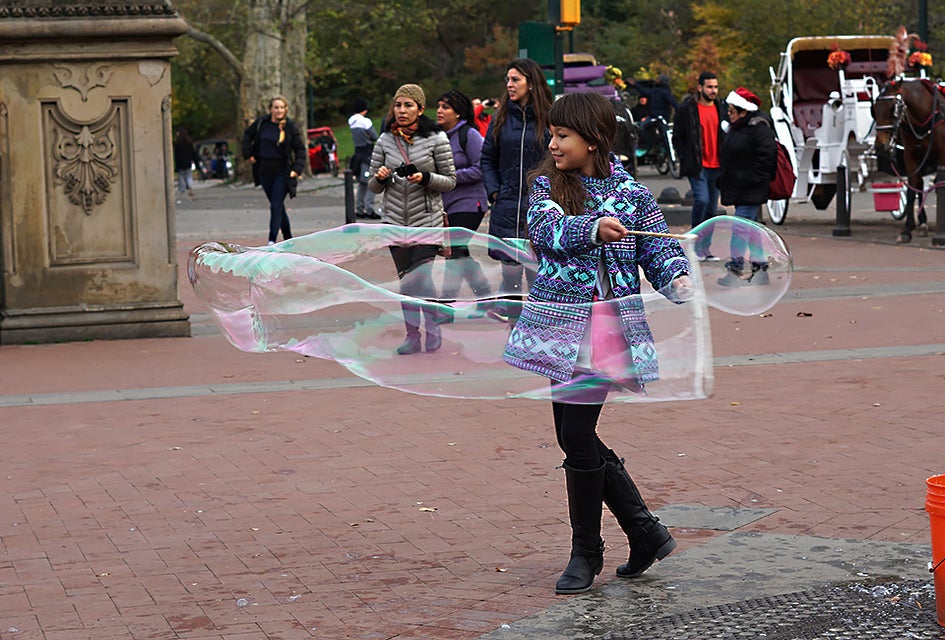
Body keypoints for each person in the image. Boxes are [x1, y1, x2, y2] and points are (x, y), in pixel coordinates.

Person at [503, 92, 691, 595]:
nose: (553, 142)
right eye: (553, 134)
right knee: (570, 435)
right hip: (558, 324)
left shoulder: (633, 192)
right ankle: (645, 531)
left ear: (595, 139)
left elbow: (657, 246)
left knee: (579, 435)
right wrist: (593, 228)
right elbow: (547, 231)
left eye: (564, 135)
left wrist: (677, 279)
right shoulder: (546, 185)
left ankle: (587, 551)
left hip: (606, 326)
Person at [368, 84, 456, 355]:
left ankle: (432, 330)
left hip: (426, 222)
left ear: (420, 108)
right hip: (395, 223)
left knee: (423, 280)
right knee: (406, 282)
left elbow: (451, 181)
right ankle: (412, 336)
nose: (402, 111)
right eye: (398, 105)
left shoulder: (436, 139)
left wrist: (426, 178)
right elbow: (371, 185)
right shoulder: (385, 140)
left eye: (408, 105)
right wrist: (380, 178)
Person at [481, 58, 553, 320]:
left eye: (515, 79)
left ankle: (539, 336)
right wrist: (495, 191)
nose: (509, 85)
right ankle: (515, 337)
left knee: (538, 278)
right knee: (510, 278)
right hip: (508, 206)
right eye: (508, 79)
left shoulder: (550, 118)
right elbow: (487, 158)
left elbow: (560, 159)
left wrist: (551, 195)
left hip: (540, 209)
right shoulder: (500, 118)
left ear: (531, 83)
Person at [436, 90, 491, 316]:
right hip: (447, 205)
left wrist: (449, 178)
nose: (439, 111)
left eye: (445, 107)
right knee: (460, 252)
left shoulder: (469, 135)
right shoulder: (439, 137)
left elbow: (480, 169)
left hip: (469, 204)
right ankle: (487, 298)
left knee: (456, 250)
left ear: (458, 112)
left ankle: (445, 307)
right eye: (438, 106)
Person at [716, 87, 778, 287]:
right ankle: (760, 270)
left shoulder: (758, 129)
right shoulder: (738, 128)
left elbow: (767, 159)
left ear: (743, 110)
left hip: (751, 188)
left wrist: (750, 179)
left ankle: (735, 269)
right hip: (741, 187)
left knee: (740, 229)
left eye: (732, 110)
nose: (728, 113)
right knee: (750, 231)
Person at [673, 71, 727, 260]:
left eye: (715, 87)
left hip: (717, 165)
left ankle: (705, 249)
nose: (713, 91)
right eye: (710, 87)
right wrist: (683, 156)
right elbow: (677, 137)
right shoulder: (687, 109)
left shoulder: (722, 108)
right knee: (701, 200)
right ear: (700, 88)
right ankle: (693, 247)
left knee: (712, 209)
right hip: (698, 165)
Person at [241, 95, 307, 245]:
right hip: (264, 171)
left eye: (282, 107)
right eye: (276, 107)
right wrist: (248, 154)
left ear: (286, 109)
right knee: (278, 206)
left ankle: (271, 240)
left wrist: (296, 169)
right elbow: (246, 136)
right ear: (271, 109)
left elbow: (300, 150)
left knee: (276, 205)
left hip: (282, 172)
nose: (279, 110)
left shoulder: (290, 127)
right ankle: (289, 238)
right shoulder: (261, 123)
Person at [348, 98, 380, 219]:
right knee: (371, 182)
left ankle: (359, 208)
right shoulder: (366, 122)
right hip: (367, 154)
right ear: (364, 109)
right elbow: (374, 136)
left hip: (357, 154)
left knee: (362, 183)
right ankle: (369, 209)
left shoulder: (351, 121)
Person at [172, 128, 199, 197]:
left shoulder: (177, 143)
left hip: (180, 162)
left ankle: (183, 190)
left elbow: (176, 155)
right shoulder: (189, 143)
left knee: (181, 176)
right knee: (188, 176)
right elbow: (193, 153)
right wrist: (196, 163)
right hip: (188, 162)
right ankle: (190, 187)